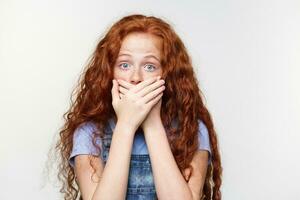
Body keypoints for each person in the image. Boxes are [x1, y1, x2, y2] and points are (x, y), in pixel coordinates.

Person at [55, 14, 222, 200]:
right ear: (109, 71)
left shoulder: (192, 129)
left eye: (150, 66)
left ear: (168, 75)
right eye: (124, 65)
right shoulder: (89, 132)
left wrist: (152, 123)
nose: (136, 77)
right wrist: (126, 124)